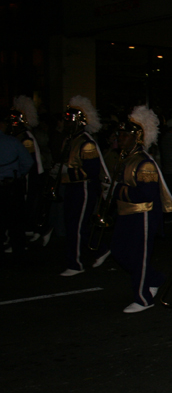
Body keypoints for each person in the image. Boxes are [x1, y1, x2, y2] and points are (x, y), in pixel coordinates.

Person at [110, 107, 172, 313]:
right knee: (119, 251)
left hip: (142, 215)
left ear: (137, 137)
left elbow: (147, 194)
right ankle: (154, 278)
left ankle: (143, 298)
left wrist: (119, 191)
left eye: (125, 135)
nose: (120, 138)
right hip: (126, 213)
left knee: (138, 256)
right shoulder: (127, 158)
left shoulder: (144, 162)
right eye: (119, 134)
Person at [58, 96, 111, 276]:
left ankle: (76, 263)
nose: (67, 123)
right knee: (74, 224)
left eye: (70, 120)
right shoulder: (71, 139)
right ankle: (100, 249)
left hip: (84, 188)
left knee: (77, 225)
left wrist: (66, 172)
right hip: (73, 187)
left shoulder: (86, 142)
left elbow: (91, 171)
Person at [0, 115, 34, 262]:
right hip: (11, 186)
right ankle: (18, 252)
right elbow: (28, 162)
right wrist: (19, 173)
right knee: (16, 221)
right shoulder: (13, 141)